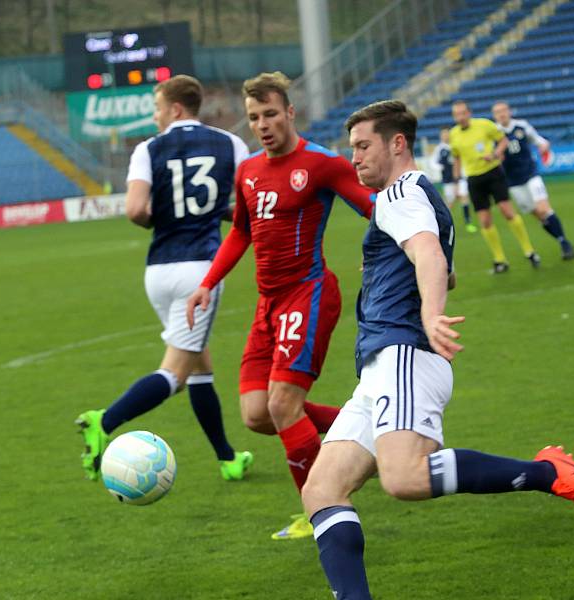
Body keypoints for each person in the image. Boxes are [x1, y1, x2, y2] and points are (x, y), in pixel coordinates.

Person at [300, 100, 574, 600]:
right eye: (352, 148)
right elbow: (441, 265)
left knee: (403, 478)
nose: (355, 157)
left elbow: (428, 254)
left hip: (405, 353)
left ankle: (548, 472)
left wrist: (430, 313)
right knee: (321, 490)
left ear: (397, 143)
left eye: (363, 146)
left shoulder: (399, 193)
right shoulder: (416, 194)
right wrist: (399, 276)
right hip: (382, 366)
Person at [186, 72, 375, 540]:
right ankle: (369, 427)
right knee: (257, 414)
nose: (263, 124)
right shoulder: (247, 171)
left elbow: (376, 208)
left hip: (308, 293)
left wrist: (391, 258)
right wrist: (208, 282)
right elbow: (241, 233)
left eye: (270, 114)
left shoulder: (321, 164)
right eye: (253, 117)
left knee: (283, 405)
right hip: (267, 304)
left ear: (290, 112)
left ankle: (321, 511)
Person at [76, 75, 252, 484]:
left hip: (158, 271)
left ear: (175, 109)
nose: (154, 117)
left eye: (156, 108)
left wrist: (171, 215)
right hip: (201, 272)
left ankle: (227, 458)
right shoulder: (231, 144)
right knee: (174, 373)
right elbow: (245, 205)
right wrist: (210, 213)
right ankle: (105, 420)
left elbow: (136, 210)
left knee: (199, 363)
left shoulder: (148, 150)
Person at [449, 100, 539, 274]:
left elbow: (503, 141)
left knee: (507, 211)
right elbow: (457, 157)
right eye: (456, 115)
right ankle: (500, 259)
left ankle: (529, 251)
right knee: (484, 220)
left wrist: (496, 154)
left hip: (493, 173)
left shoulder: (484, 125)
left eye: (462, 113)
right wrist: (456, 180)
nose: (459, 117)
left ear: (469, 113)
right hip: (474, 179)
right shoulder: (454, 134)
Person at [492, 101, 574, 260]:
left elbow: (540, 141)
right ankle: (561, 239)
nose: (501, 114)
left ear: (509, 111)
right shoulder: (493, 133)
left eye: (503, 110)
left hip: (531, 174)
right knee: (539, 215)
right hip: (513, 182)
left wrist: (544, 146)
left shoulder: (521, 126)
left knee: (544, 208)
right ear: (494, 115)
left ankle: (565, 243)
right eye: (497, 112)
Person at [432, 128, 476, 233]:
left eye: (447, 134)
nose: (446, 136)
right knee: (450, 203)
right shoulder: (440, 149)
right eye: (444, 134)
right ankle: (443, 223)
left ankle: (468, 222)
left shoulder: (456, 146)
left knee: (464, 197)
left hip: (460, 179)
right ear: (441, 136)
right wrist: (439, 167)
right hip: (448, 180)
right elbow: (433, 162)